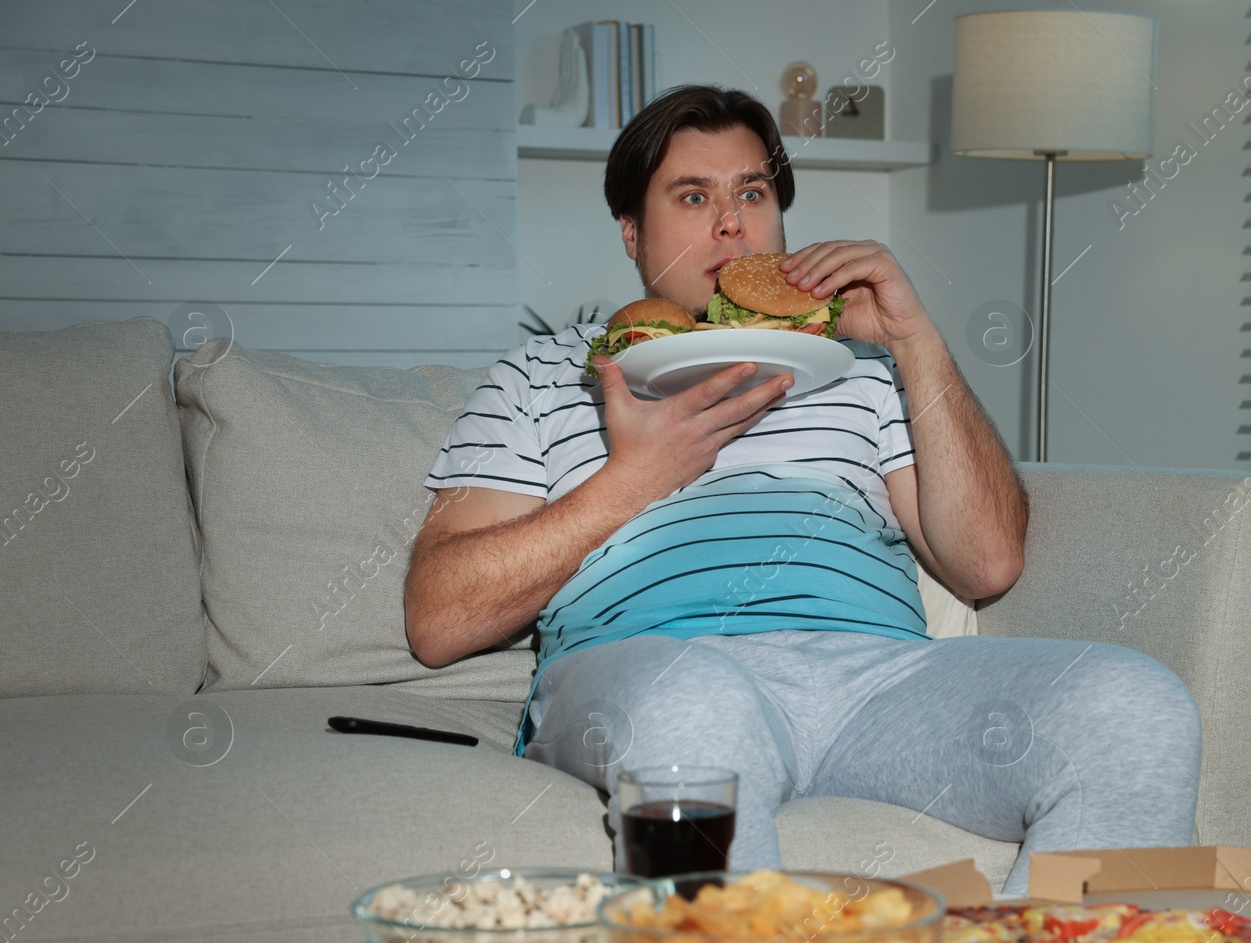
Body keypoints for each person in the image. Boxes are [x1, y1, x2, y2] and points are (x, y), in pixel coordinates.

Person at [403, 85, 1201, 896]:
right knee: (698, 698)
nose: (731, 222)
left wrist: (912, 339)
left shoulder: (860, 368)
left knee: (1133, 702)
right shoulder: (541, 376)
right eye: (693, 196)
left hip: (872, 685)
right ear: (631, 232)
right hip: (658, 673)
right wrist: (633, 480)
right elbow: (438, 618)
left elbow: (988, 563)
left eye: (753, 192)